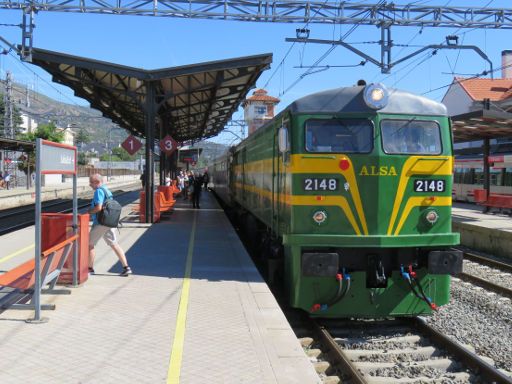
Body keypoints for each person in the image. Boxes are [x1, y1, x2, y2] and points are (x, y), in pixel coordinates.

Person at [87, 173, 132, 276]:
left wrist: (90, 211)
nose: (90, 185)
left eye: (91, 182)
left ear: (97, 182)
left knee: (89, 245)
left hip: (100, 223)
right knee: (114, 244)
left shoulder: (98, 191)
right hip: (110, 222)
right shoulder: (107, 190)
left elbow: (98, 207)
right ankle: (126, 267)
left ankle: (90, 269)